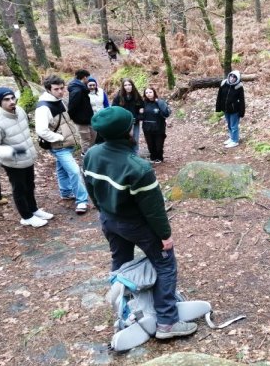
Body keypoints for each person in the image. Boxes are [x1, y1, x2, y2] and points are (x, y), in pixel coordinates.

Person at [82, 106, 197, 340]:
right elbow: (154, 210)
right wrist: (165, 236)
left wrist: (103, 210)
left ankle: (125, 307)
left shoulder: (91, 154)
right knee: (165, 264)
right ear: (128, 131)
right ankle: (167, 322)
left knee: (121, 261)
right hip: (136, 225)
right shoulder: (138, 167)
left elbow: (90, 189)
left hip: (109, 220)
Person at [0, 87, 53, 228]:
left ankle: (33, 210)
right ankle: (26, 217)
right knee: (19, 189)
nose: (11, 102)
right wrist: (12, 151)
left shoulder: (20, 111)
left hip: (28, 158)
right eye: (6, 99)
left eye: (12, 98)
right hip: (13, 162)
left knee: (30, 185)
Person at [36, 75, 89, 214]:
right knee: (75, 171)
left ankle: (65, 192)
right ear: (48, 89)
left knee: (61, 168)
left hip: (67, 144)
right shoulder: (43, 108)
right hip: (59, 146)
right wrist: (59, 137)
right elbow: (41, 130)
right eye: (56, 89)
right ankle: (82, 201)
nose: (60, 91)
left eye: (62, 88)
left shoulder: (60, 101)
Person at [111, 78, 144, 154]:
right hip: (124, 122)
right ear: (123, 87)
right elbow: (114, 109)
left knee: (135, 138)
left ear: (132, 85)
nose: (128, 87)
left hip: (135, 121)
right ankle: (126, 154)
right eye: (125, 85)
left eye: (129, 85)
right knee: (125, 139)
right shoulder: (118, 97)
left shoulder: (136, 95)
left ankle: (135, 154)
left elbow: (142, 106)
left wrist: (140, 116)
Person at [139, 87, 170, 163]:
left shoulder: (160, 102)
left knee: (159, 146)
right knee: (150, 145)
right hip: (147, 128)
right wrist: (141, 112)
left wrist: (159, 102)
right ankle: (153, 158)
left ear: (154, 92)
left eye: (150, 92)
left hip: (159, 128)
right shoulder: (143, 104)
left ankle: (159, 158)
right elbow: (140, 118)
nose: (148, 94)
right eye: (146, 93)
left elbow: (166, 113)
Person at [215, 70, 245, 148]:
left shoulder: (239, 87)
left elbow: (242, 100)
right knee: (229, 124)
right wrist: (218, 107)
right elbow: (219, 96)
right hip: (226, 109)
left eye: (234, 77)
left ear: (237, 78)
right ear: (229, 76)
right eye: (231, 76)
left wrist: (242, 111)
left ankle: (235, 141)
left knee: (234, 126)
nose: (232, 78)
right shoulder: (224, 84)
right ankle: (231, 138)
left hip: (235, 110)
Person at [67, 69, 94, 154]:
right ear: (84, 77)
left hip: (88, 118)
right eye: (88, 78)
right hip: (81, 120)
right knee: (85, 139)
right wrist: (75, 118)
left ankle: (91, 153)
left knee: (93, 135)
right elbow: (71, 107)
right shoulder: (77, 90)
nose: (88, 80)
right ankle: (85, 155)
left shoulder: (80, 88)